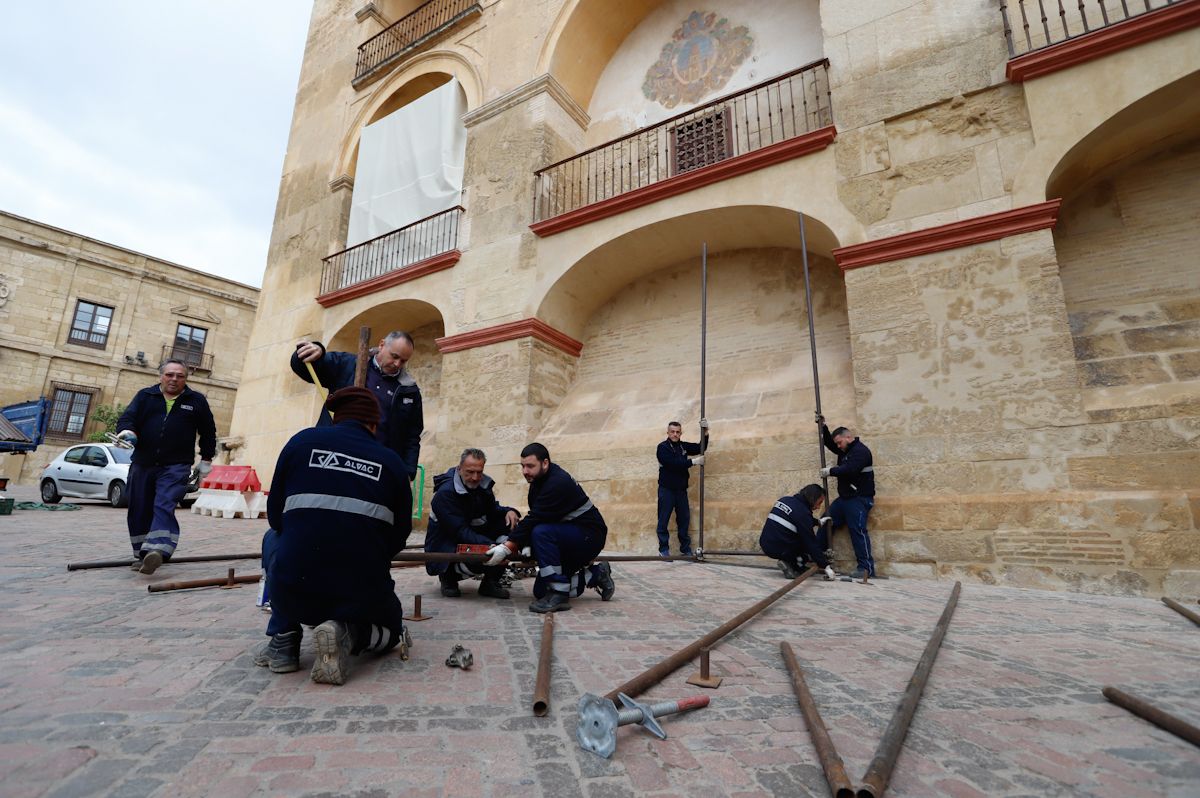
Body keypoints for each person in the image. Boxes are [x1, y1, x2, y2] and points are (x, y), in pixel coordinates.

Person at [255, 386, 413, 685]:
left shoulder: (301, 443)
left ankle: (284, 638)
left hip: (297, 592)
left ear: (336, 417)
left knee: (273, 538)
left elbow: (276, 517)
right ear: (374, 424)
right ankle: (349, 633)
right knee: (393, 632)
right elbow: (399, 536)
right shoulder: (391, 462)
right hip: (362, 592)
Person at [484, 443, 614, 613]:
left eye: (530, 466)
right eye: (522, 466)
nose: (525, 471)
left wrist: (508, 546)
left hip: (588, 536)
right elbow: (540, 516)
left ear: (545, 463)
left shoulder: (557, 483)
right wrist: (526, 544)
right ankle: (596, 575)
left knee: (542, 533)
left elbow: (535, 519)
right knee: (541, 591)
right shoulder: (540, 480)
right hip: (568, 536)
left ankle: (559, 594)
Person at [116, 359, 216, 575]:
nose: (174, 379)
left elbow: (209, 432)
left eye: (180, 376)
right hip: (143, 463)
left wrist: (206, 459)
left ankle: (158, 550)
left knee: (164, 503)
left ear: (185, 379)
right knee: (138, 508)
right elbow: (127, 419)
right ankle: (142, 554)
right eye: (170, 375)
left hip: (176, 465)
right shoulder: (145, 396)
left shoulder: (196, 400)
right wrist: (128, 432)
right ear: (161, 376)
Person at [291, 331, 422, 480]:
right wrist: (315, 351)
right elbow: (306, 367)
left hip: (377, 468)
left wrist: (408, 472)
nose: (397, 364)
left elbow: (412, 435)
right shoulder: (348, 364)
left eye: (403, 361)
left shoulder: (410, 391)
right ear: (381, 345)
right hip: (333, 457)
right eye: (395, 356)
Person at [425, 447, 521, 599]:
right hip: (447, 544)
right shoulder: (445, 494)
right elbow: (460, 531)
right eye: (470, 472)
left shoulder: (482, 485)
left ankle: (490, 583)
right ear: (459, 468)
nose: (475, 477)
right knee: (488, 550)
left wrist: (510, 511)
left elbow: (493, 510)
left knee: (510, 527)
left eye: (479, 472)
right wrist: (493, 547)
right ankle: (448, 576)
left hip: (472, 534)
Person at [817, 416, 876, 579]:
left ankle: (866, 569)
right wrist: (823, 427)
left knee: (857, 531)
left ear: (848, 437)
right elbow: (829, 444)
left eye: (839, 442)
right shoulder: (845, 450)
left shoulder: (861, 452)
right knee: (825, 522)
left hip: (859, 499)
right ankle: (815, 557)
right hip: (845, 499)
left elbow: (850, 469)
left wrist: (830, 471)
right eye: (837, 444)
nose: (838, 446)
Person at [655, 419, 709, 557]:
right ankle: (663, 550)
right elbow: (672, 463)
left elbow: (700, 448)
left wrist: (705, 432)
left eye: (677, 432)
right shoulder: (662, 447)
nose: (675, 434)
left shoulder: (683, 446)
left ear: (680, 433)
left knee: (684, 520)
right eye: (672, 432)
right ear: (668, 432)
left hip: (681, 491)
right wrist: (693, 461)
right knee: (663, 520)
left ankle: (685, 550)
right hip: (666, 490)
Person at [759, 483, 835, 580]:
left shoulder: (785, 500)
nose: (819, 507)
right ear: (812, 498)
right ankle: (793, 566)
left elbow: (797, 518)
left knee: (796, 537)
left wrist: (817, 522)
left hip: (765, 543)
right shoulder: (803, 513)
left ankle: (792, 562)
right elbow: (811, 543)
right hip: (779, 549)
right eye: (819, 502)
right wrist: (826, 566)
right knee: (807, 549)